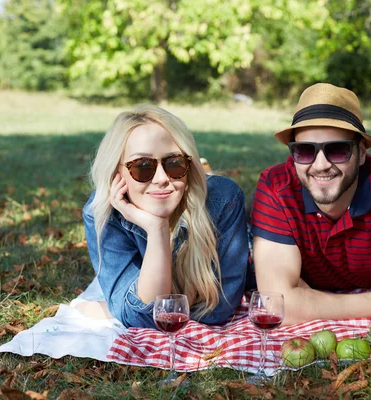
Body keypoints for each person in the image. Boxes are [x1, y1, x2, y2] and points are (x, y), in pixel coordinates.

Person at [250, 83, 371, 325]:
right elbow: (278, 305)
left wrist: (305, 298)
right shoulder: (276, 187)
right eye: (304, 150)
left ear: (361, 153)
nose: (320, 164)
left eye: (337, 150)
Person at [82, 104, 251, 328]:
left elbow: (219, 309)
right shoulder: (102, 213)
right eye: (142, 166)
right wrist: (156, 229)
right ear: (116, 173)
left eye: (174, 163)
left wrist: (120, 309)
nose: (161, 178)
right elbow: (141, 318)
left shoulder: (224, 201)